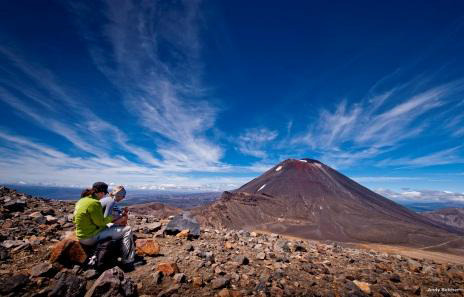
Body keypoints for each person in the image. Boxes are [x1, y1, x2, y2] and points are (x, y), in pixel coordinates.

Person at [73, 182, 135, 269]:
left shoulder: (82, 200)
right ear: (101, 192)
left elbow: (74, 219)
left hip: (81, 234)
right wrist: (117, 218)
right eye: (104, 193)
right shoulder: (96, 203)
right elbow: (102, 222)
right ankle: (128, 261)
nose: (105, 195)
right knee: (127, 229)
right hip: (90, 236)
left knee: (117, 226)